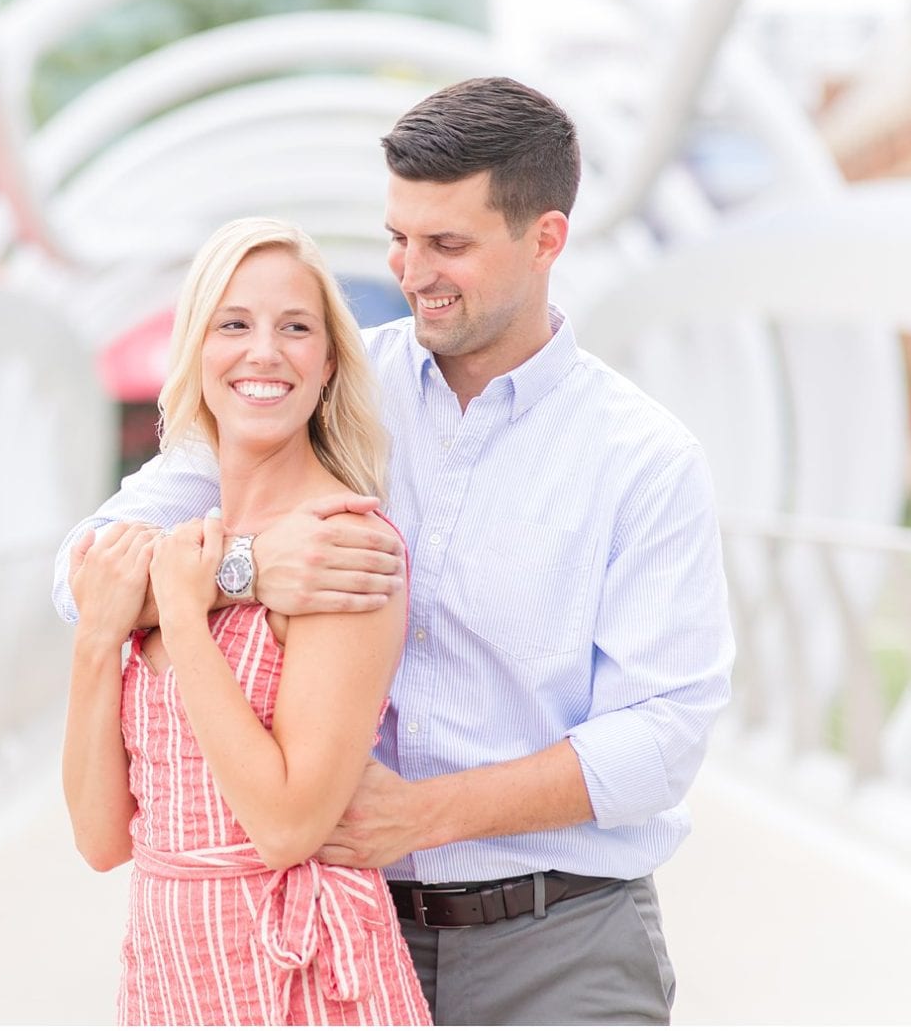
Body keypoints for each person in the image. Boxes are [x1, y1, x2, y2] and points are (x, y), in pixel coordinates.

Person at [54, 77, 734, 1026]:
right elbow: (82, 567)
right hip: (344, 932)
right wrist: (245, 568)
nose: (414, 272)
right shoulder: (324, 382)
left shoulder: (643, 461)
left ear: (546, 240)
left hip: (562, 941)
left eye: (448, 244)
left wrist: (426, 815)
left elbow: (660, 742)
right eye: (399, 239)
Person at [63, 217, 431, 1026]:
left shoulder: (345, 546)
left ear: (328, 364)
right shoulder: (178, 549)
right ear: (196, 353)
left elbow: (288, 824)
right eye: (234, 325)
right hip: (170, 977)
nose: (263, 351)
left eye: (294, 328)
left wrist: (187, 621)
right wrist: (99, 637)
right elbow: (101, 840)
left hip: (299, 981)